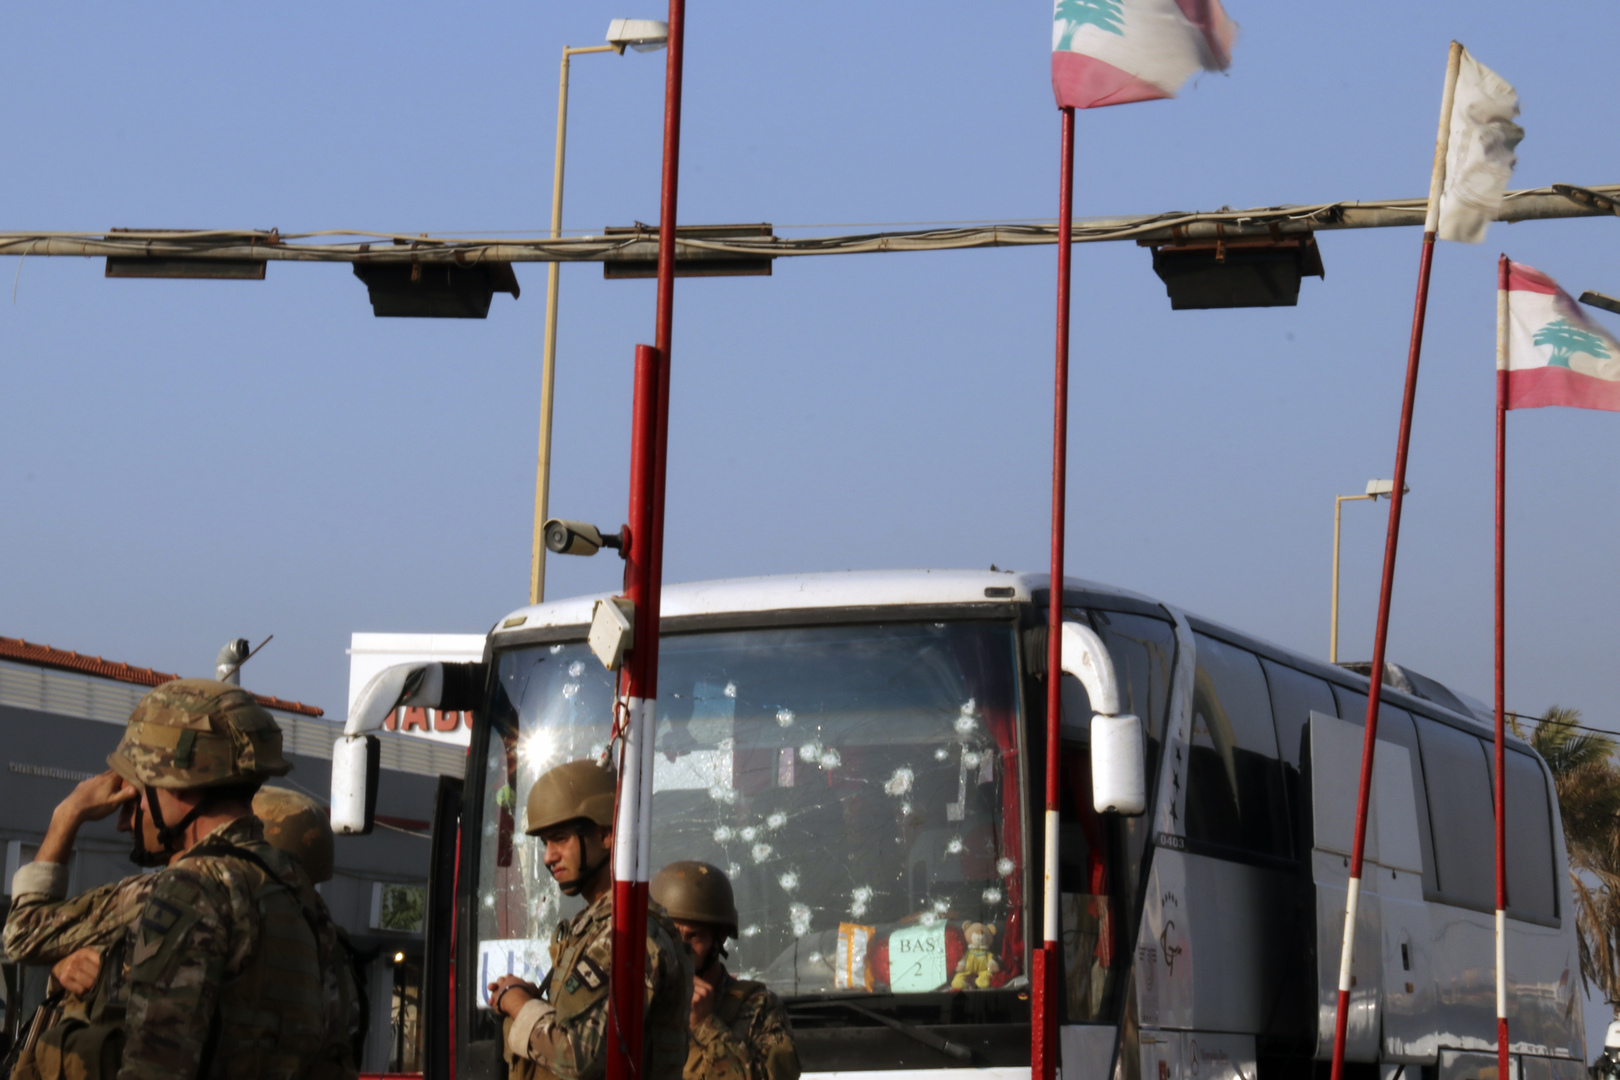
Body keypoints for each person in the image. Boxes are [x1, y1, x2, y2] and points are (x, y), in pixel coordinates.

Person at [1, 678, 356, 1080]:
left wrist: (67, 815)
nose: (124, 822)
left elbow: (156, 1067)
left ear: (173, 786)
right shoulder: (300, 893)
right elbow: (333, 1056)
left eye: (136, 793)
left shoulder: (192, 888)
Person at [486, 759, 692, 1080]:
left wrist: (518, 1006)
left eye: (560, 839)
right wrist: (530, 998)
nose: (548, 857)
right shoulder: (598, 925)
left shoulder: (630, 931)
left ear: (606, 835)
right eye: (544, 843)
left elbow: (581, 1056)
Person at [650, 862, 799, 1080]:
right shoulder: (639, 1002)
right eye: (669, 934)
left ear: (719, 938)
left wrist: (706, 1025)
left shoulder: (757, 1009)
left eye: (694, 936)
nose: (678, 948)